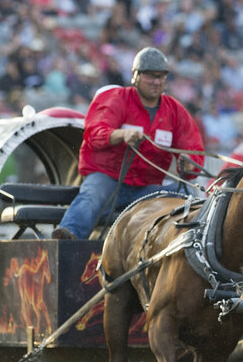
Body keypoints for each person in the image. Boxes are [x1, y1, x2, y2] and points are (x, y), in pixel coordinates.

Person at [52, 47, 205, 240]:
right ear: (135, 76)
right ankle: (67, 238)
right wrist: (120, 135)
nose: (156, 82)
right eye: (150, 76)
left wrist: (190, 163)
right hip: (108, 179)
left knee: (188, 195)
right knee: (91, 196)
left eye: (161, 76)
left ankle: (191, 244)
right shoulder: (116, 99)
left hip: (146, 187)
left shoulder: (175, 111)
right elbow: (94, 133)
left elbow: (194, 150)